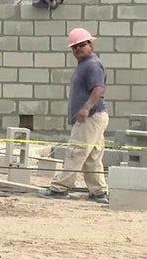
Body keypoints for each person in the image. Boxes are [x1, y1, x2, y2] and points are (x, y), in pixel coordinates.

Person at [40, 28, 110, 204]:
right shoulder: (85, 64)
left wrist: (86, 108)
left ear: (90, 45)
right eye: (75, 47)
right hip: (96, 116)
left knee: (76, 152)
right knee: (92, 156)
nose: (78, 49)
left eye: (81, 45)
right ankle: (99, 192)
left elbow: (99, 89)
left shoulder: (92, 64)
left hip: (91, 117)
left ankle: (59, 188)